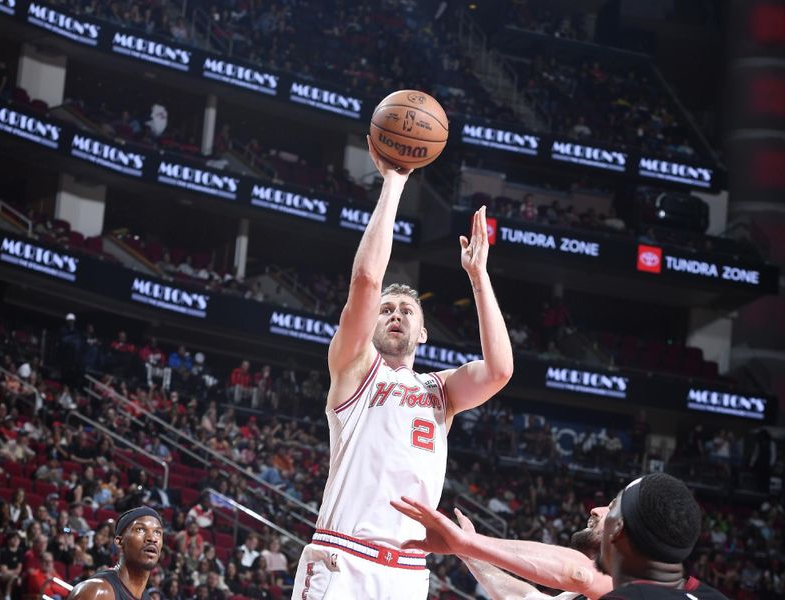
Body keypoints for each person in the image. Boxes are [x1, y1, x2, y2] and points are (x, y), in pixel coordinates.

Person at [291, 137, 513, 599]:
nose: (396, 314)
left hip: (409, 572)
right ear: (370, 326)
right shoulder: (353, 368)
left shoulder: (441, 391)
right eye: (387, 309)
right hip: (344, 561)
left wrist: (479, 278)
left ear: (424, 333)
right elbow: (367, 280)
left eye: (407, 310)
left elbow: (499, 371)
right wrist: (394, 180)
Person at [393, 473, 728, 599]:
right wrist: (470, 553)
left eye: (611, 508)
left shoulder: (635, 595)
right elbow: (524, 599)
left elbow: (578, 573)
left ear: (621, 531)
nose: (596, 510)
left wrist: (469, 543)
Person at [67, 507, 164, 600]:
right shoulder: (97, 592)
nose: (152, 538)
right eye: (140, 529)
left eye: (157, 532)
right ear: (119, 541)